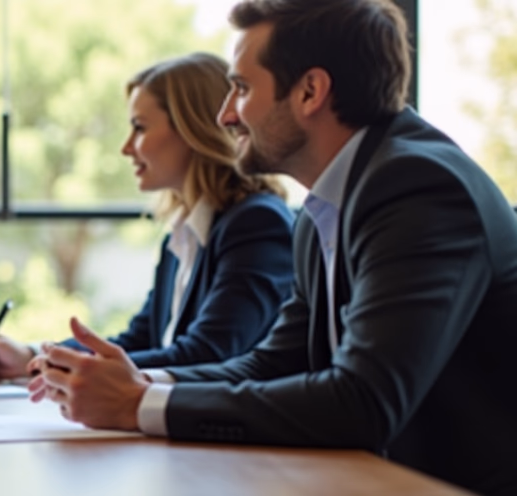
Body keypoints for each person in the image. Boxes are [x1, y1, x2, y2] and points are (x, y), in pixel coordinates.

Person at [30, 1, 517, 493]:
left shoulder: (417, 186)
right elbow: (270, 363)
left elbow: (363, 401)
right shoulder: (321, 210)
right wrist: (142, 383)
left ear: (310, 91)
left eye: (240, 88)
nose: (225, 115)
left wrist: (137, 405)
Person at [0, 53, 294, 382]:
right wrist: (32, 356)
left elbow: (209, 353)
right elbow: (142, 339)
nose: (126, 148)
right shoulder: (182, 235)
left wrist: (63, 366)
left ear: (192, 130)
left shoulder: (257, 224)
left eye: (139, 128)